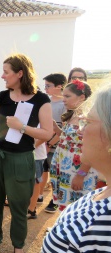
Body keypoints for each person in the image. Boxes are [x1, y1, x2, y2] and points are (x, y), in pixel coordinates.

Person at [0, 54, 53, 253]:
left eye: (6, 72)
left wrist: (22, 127)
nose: (2, 76)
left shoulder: (41, 99)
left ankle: (18, 245)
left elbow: (48, 133)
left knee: (18, 204)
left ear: (20, 73)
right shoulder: (3, 96)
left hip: (20, 158)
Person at [42, 82, 111, 252]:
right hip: (65, 166)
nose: (81, 131)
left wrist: (80, 173)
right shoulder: (99, 198)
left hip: (74, 169)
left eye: (87, 122)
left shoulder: (99, 224)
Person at [49, 79, 97, 212]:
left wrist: (81, 175)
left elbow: (92, 149)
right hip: (66, 169)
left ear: (82, 97)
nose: (63, 99)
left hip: (78, 171)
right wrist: (56, 128)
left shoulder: (88, 118)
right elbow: (69, 139)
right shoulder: (73, 114)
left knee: (78, 209)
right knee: (66, 208)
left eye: (67, 96)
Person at [42, 73, 67, 213]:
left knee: (55, 175)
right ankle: (39, 195)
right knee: (42, 170)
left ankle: (54, 199)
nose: (46, 88)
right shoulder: (46, 101)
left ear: (59, 86)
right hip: (43, 143)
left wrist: (50, 144)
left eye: (48, 86)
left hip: (55, 145)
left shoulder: (65, 104)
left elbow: (63, 130)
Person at [27, 135, 46, 219]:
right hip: (25, 154)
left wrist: (32, 146)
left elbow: (45, 136)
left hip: (36, 156)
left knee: (35, 182)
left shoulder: (41, 121)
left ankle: (31, 210)